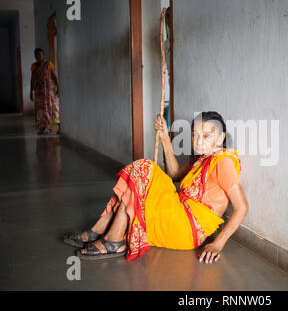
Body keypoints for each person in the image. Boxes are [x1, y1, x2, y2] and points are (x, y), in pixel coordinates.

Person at [64, 111, 249, 264]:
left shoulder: (222, 162)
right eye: (195, 135)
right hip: (178, 210)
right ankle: (105, 231)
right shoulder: (201, 158)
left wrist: (218, 244)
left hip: (186, 227)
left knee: (143, 169)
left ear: (221, 137)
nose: (199, 141)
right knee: (139, 174)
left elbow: (242, 208)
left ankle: (110, 237)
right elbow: (176, 174)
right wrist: (164, 138)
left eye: (207, 136)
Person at [30, 48, 60, 135]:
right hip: (39, 91)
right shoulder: (34, 66)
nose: (38, 56)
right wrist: (31, 91)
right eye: (36, 55)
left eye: (39, 54)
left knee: (52, 108)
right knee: (40, 109)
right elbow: (32, 79)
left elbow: (54, 76)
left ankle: (55, 127)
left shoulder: (48, 64)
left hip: (49, 90)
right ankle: (42, 128)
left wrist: (58, 87)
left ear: (43, 55)